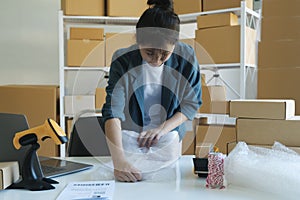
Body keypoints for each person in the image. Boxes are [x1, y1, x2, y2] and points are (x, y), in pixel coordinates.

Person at [101, 0, 202, 182]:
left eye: (165, 54)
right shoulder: (122, 60)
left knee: (165, 180)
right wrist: (119, 161)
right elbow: (112, 110)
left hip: (167, 133)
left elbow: (191, 103)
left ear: (175, 45)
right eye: (149, 53)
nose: (156, 60)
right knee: (129, 178)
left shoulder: (187, 56)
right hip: (131, 135)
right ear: (138, 41)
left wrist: (161, 129)